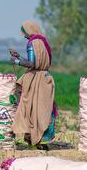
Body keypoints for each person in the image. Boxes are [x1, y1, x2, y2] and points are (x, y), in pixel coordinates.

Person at [9, 21, 58, 150]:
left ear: (29, 31)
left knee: (35, 110)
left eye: (24, 33)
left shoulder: (32, 43)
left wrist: (17, 61)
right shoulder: (42, 42)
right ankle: (41, 141)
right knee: (44, 110)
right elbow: (37, 61)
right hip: (45, 79)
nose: (24, 36)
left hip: (38, 81)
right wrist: (19, 56)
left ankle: (37, 141)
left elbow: (31, 64)